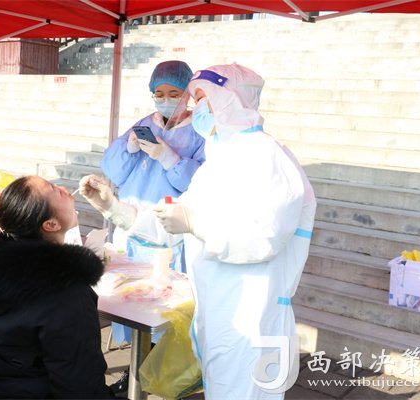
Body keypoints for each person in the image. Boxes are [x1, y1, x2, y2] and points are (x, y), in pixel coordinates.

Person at [80, 63, 317, 400]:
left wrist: (195, 224)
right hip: (218, 310)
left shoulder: (266, 157)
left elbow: (263, 237)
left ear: (232, 101)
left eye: (204, 99)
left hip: (252, 317)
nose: (197, 109)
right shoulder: (219, 159)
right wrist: (114, 208)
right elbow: (173, 222)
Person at [0, 176, 115, 399]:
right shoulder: (66, 292)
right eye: (56, 190)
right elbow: (80, 388)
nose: (65, 189)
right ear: (51, 225)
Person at [101, 60, 205, 360]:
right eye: (159, 94)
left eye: (174, 94)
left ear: (187, 94)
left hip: (169, 235)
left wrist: (170, 159)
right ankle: (135, 368)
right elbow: (113, 171)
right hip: (132, 227)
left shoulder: (199, 133)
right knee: (130, 304)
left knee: (164, 311)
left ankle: (158, 371)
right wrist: (129, 149)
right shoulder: (144, 125)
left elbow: (200, 183)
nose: (165, 100)